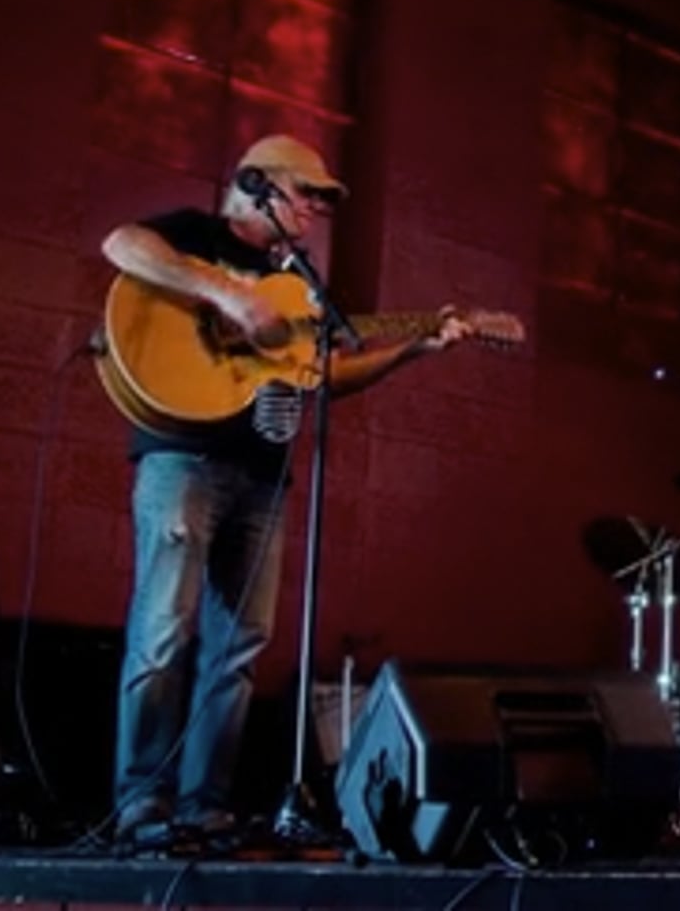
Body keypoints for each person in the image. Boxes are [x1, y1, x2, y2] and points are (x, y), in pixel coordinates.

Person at [98, 134, 466, 854]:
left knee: (238, 648)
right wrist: (230, 296)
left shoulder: (298, 283)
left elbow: (320, 377)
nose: (315, 210)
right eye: (306, 194)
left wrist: (415, 348)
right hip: (184, 460)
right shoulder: (196, 234)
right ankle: (141, 802)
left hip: (262, 477)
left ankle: (204, 806)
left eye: (321, 201)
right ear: (257, 185)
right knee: (164, 629)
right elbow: (120, 244)